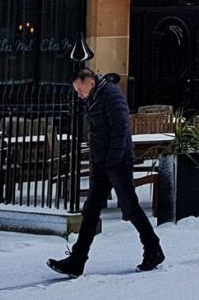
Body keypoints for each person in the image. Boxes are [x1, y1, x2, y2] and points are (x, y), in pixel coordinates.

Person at [48, 69, 165, 277]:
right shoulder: (94, 97)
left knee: (130, 207)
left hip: (116, 161)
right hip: (102, 162)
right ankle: (77, 260)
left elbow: (120, 129)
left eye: (79, 89)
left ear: (90, 83)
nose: (78, 94)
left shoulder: (111, 95)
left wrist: (112, 160)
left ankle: (153, 249)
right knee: (91, 209)